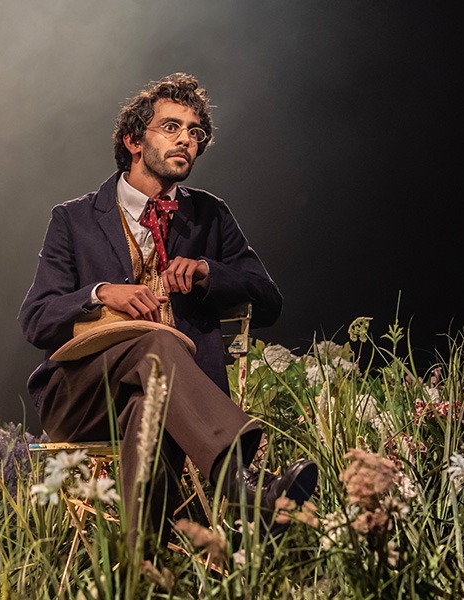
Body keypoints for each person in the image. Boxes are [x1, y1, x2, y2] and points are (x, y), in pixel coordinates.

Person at [18, 74, 316, 542]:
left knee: (149, 407)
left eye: (195, 132)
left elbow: (268, 299)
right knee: (155, 342)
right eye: (171, 127)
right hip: (83, 395)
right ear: (133, 140)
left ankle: (141, 569)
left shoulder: (210, 216)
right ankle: (239, 482)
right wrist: (99, 293)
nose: (186, 140)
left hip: (175, 400)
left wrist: (206, 272)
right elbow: (36, 320)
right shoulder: (73, 220)